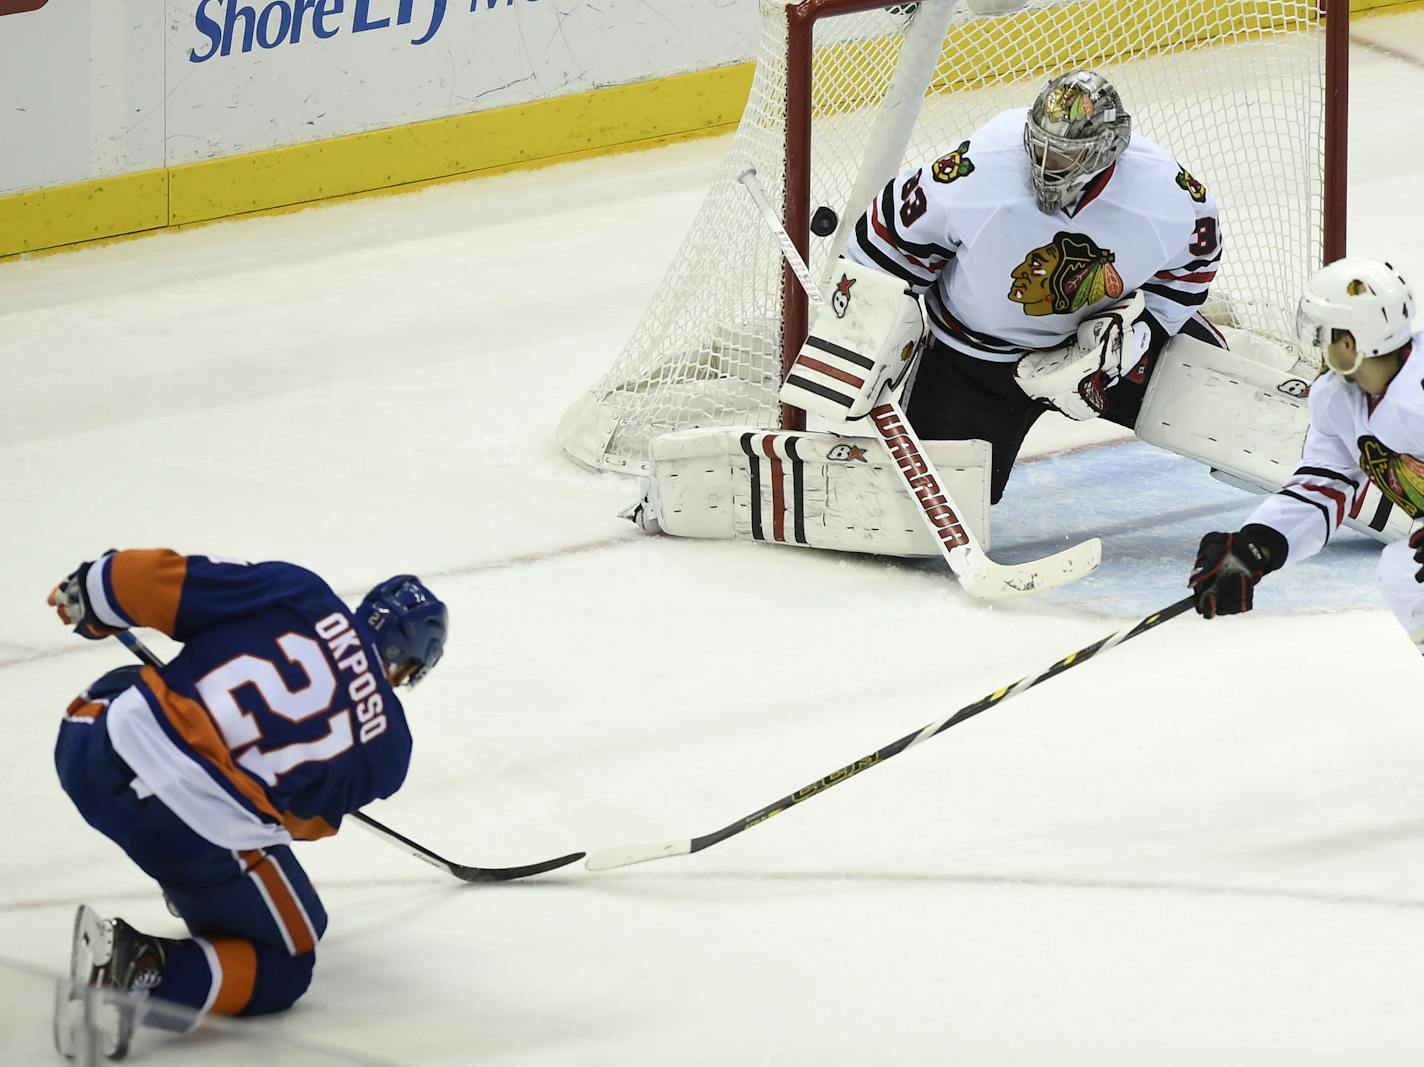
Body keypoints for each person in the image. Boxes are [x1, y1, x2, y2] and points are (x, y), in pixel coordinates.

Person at [47, 549, 448, 1059]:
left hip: (91, 751)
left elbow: (152, 582)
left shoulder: (299, 592)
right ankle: (143, 968)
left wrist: (95, 594)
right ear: (408, 663)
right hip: (191, 840)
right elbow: (300, 822)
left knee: (133, 681)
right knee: (288, 959)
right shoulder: (390, 750)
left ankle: (194, 880)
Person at [845, 67, 1225, 503]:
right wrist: (873, 337)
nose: (1045, 163)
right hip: (974, 361)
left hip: (1099, 355)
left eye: (1062, 154)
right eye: (1040, 146)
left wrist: (1145, 333)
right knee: (936, 507)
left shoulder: (1167, 195)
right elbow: (884, 243)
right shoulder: (978, 168)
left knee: (1229, 411)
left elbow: (1193, 267)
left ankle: (1318, 474)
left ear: (1107, 149)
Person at [1188, 257, 1424, 650]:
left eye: (1322, 334)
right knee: (1404, 574)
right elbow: (1323, 486)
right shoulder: (1338, 399)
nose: (1317, 345)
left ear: (1350, 342)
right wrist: (1258, 545)